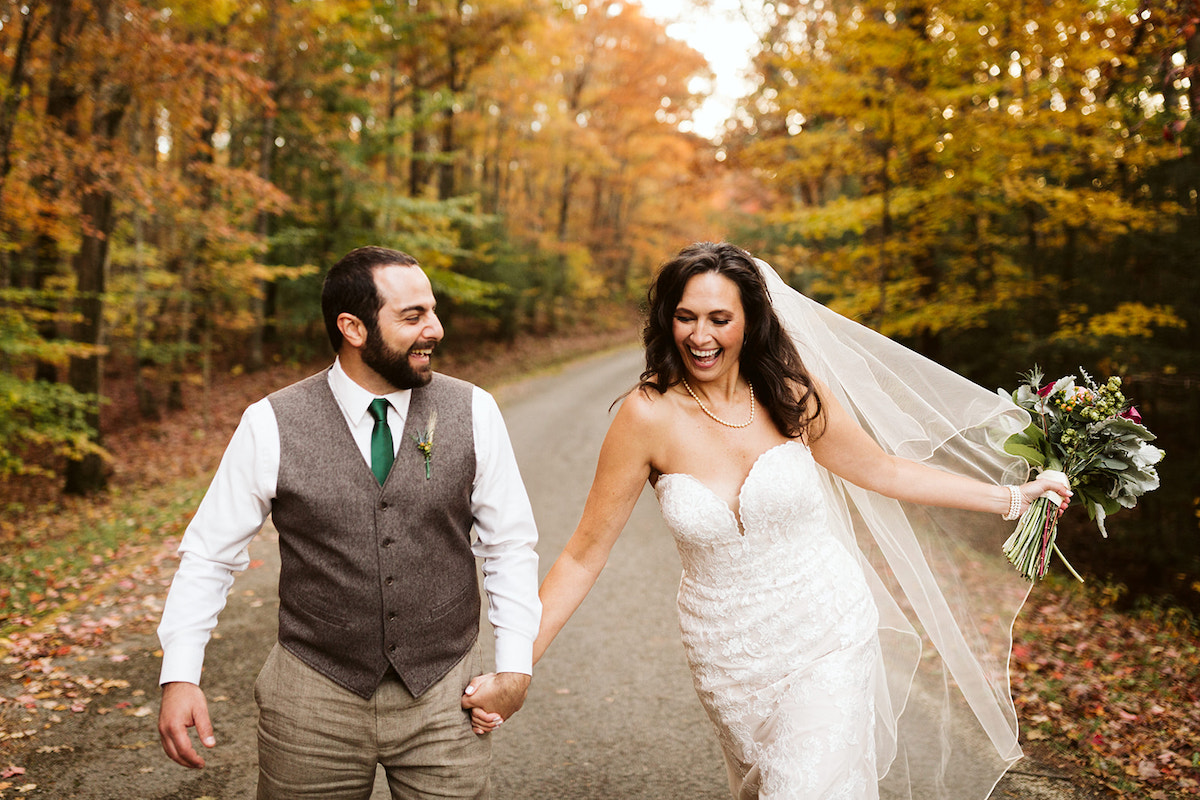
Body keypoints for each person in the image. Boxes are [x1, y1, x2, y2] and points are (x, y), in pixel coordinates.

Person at [467, 241, 1071, 799]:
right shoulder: (646, 416)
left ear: (751, 321)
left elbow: (885, 471)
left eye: (719, 319)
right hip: (725, 651)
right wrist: (515, 667)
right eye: (685, 317)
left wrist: (1012, 498)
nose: (700, 336)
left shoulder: (792, 395)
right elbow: (583, 554)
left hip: (827, 630)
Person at [156, 246, 541, 799]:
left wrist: (514, 669)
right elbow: (210, 554)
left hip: (444, 694)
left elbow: (510, 546)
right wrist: (181, 673)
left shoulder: (474, 410)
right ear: (352, 327)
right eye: (412, 317)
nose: (434, 328)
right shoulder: (270, 423)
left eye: (432, 311)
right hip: (310, 700)